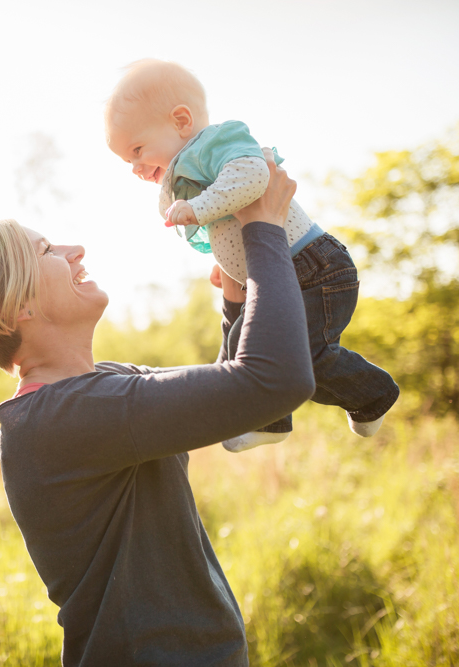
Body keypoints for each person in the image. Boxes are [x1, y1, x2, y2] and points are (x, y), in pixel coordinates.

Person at [0, 154, 313, 666]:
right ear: (19, 307)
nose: (76, 249)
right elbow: (274, 382)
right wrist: (263, 230)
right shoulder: (63, 419)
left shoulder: (105, 387)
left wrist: (236, 300)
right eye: (47, 250)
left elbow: (232, 399)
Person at [104, 59, 399, 452]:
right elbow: (231, 220)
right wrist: (226, 263)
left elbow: (251, 176)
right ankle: (267, 419)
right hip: (282, 272)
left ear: (180, 121)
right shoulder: (190, 170)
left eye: (137, 150)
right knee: (245, 347)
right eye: (129, 162)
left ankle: (372, 393)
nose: (137, 169)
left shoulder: (214, 143)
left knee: (303, 354)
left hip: (313, 266)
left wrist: (198, 208)